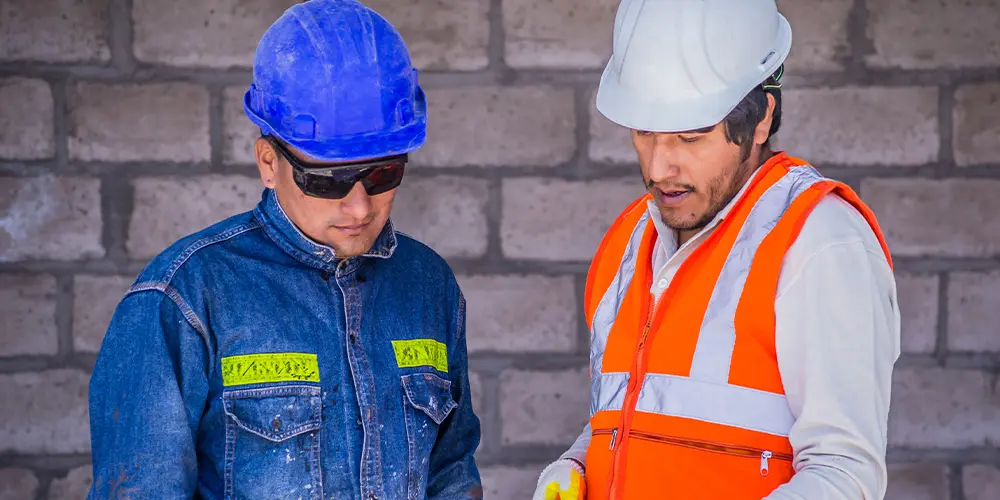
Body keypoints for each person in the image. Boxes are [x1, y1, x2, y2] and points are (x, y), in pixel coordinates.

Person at [87, 1, 482, 498]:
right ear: (268, 162)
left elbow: (451, 472)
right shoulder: (185, 300)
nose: (359, 206)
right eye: (326, 179)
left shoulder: (429, 287)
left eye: (383, 173)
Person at [533, 0, 900, 498]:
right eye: (645, 132)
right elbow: (635, 417)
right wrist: (578, 463)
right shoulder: (630, 240)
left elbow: (844, 474)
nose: (660, 167)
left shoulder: (818, 242)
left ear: (762, 119)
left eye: (690, 136)